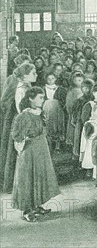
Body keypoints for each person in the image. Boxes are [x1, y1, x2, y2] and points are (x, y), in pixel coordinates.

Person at [11, 87, 60, 222]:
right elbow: (16, 135)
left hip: (41, 148)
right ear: (30, 99)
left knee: (39, 175)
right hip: (29, 150)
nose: (42, 100)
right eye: (40, 97)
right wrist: (25, 141)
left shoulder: (40, 112)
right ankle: (27, 210)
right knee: (27, 177)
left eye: (43, 97)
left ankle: (37, 205)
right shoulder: (23, 116)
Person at [0, 62, 37, 193]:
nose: (36, 75)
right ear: (25, 76)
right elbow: (21, 110)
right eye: (33, 73)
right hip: (24, 125)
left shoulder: (28, 86)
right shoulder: (22, 89)